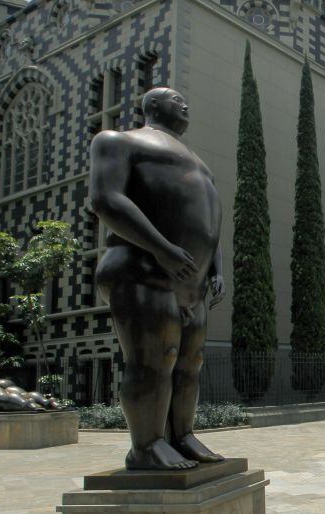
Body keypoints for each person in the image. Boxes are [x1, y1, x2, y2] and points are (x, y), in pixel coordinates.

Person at [90, 87, 225, 471]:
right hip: (140, 268)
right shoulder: (118, 141)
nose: (184, 103)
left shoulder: (201, 164)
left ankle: (181, 435)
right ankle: (146, 444)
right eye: (174, 98)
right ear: (151, 105)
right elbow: (107, 199)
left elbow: (211, 221)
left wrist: (217, 267)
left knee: (189, 362)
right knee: (154, 358)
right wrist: (161, 248)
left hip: (191, 283)